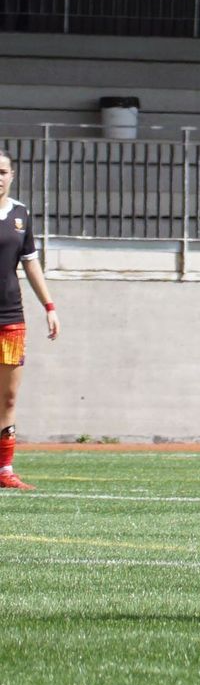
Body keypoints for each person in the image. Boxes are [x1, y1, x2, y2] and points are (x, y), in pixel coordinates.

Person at [0, 150, 60, 491]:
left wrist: (49, 306)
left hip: (10, 318)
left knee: (7, 399)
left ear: (12, 175)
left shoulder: (20, 214)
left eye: (2, 171)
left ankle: (5, 470)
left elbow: (30, 262)